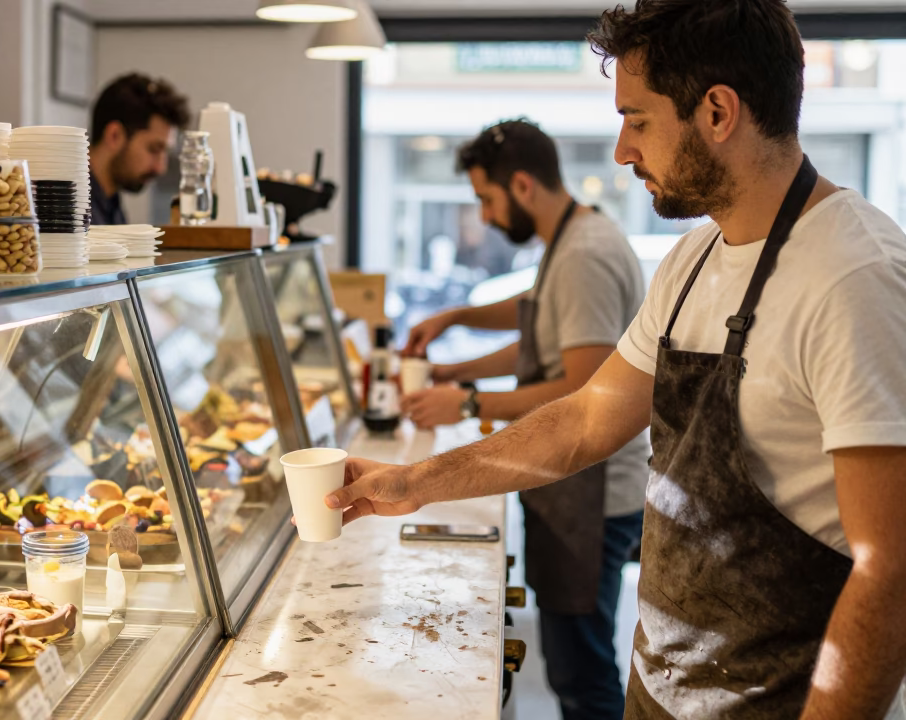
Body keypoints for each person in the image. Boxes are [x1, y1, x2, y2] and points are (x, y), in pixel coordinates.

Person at [330, 1, 906, 717]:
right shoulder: (692, 260)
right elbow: (583, 420)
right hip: (660, 691)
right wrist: (413, 483)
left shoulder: (854, 278)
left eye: (637, 120)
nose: (621, 152)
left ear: (718, 112)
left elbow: (891, 569)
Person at [401, 119, 648, 720]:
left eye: (486, 199)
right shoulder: (571, 239)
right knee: (572, 661)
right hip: (572, 484)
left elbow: (584, 388)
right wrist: (454, 344)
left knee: (581, 671)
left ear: (521, 185)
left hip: (592, 493)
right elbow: (538, 333)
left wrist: (467, 402)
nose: (485, 217)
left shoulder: (584, 254)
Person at [88, 73, 191, 227]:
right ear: (114, 136)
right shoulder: (70, 211)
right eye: (154, 149)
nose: (160, 168)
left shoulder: (110, 203)